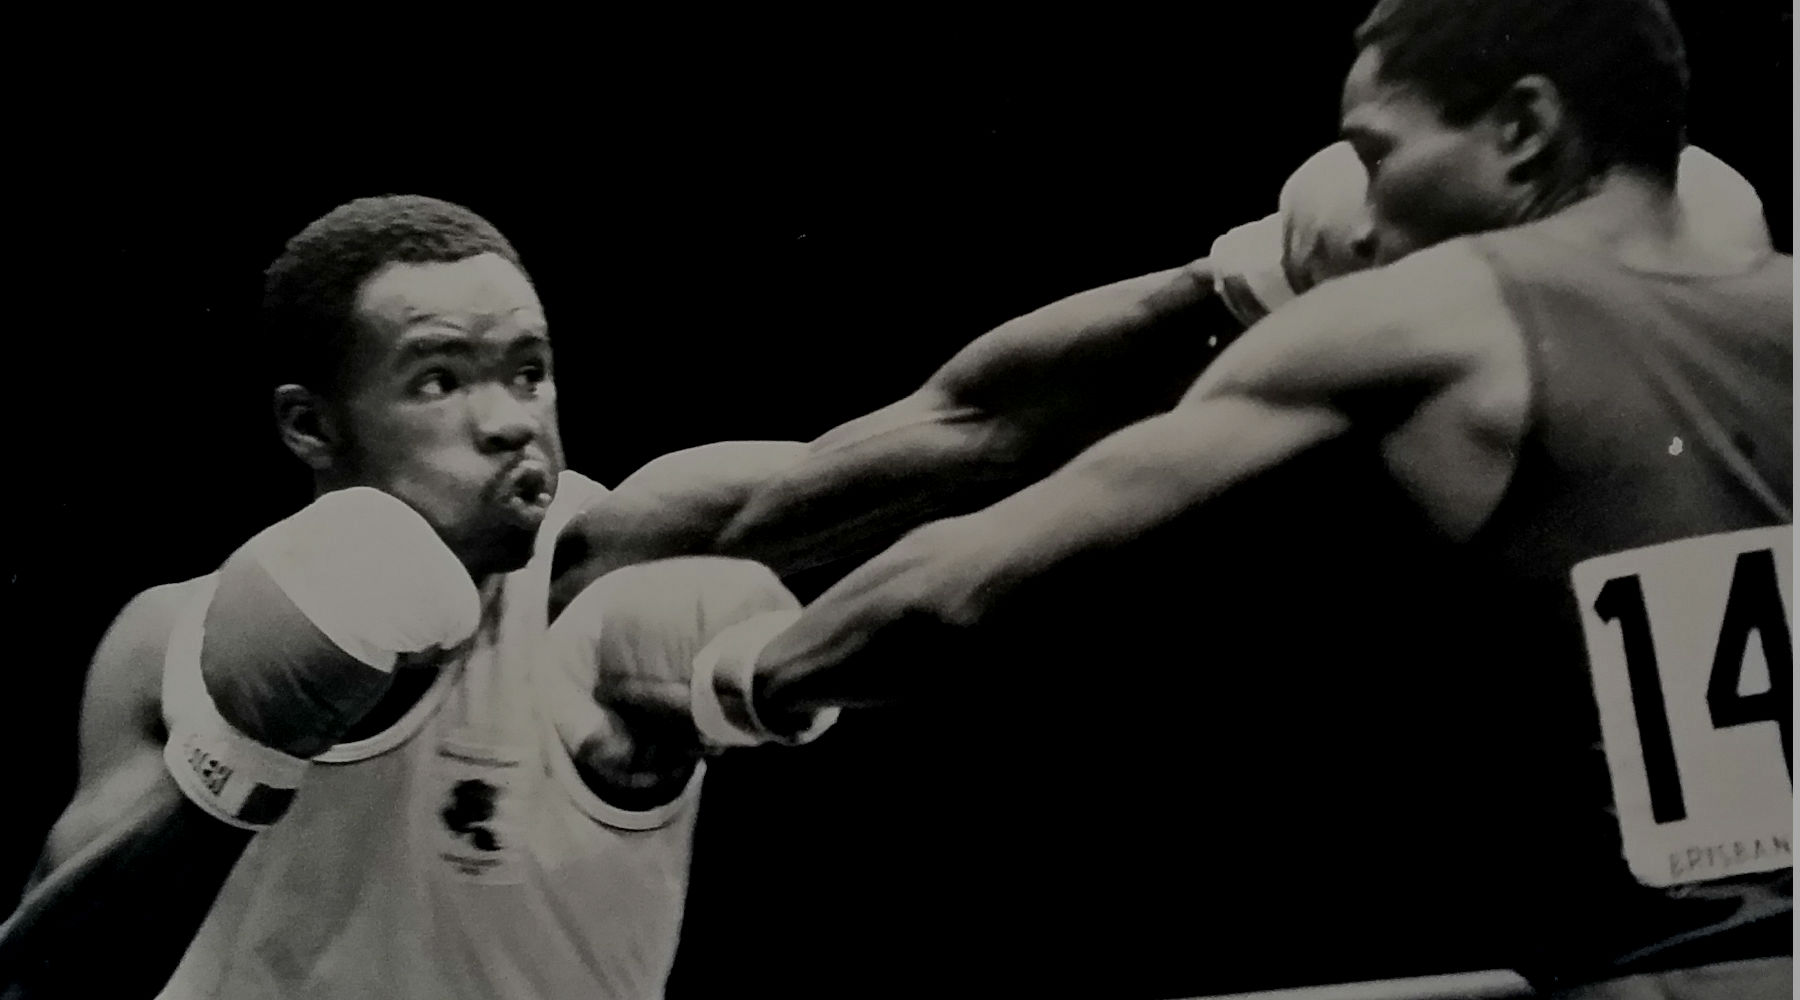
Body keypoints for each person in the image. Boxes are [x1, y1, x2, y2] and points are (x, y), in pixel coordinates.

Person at [595, 0, 1790, 996]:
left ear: (1526, 128)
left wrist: (734, 677)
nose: (1367, 213)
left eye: (1379, 155)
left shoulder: (1435, 316)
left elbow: (957, 591)